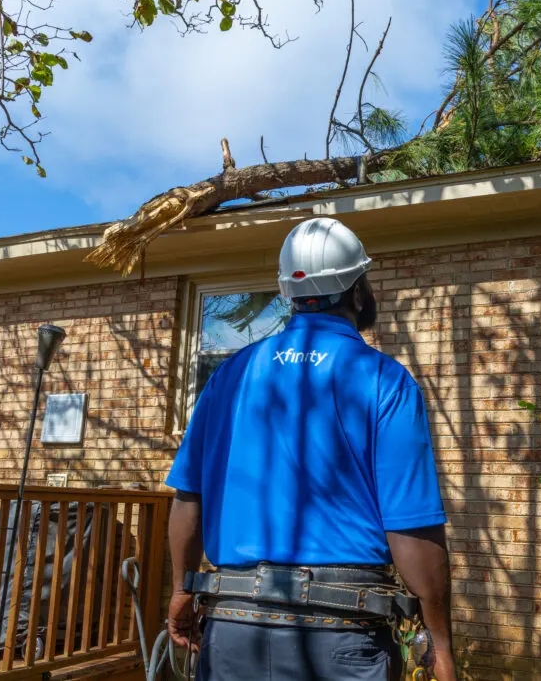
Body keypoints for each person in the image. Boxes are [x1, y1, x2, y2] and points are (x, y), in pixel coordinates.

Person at [164, 217, 455, 681]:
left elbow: (187, 499)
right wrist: (440, 646)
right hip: (339, 639)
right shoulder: (384, 379)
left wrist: (182, 589)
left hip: (233, 632)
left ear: (288, 295)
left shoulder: (229, 376)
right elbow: (412, 529)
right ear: (357, 292)